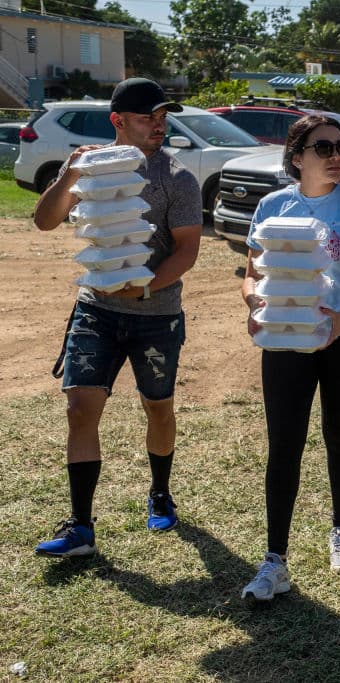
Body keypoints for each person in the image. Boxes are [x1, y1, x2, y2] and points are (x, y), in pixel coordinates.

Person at [32, 78, 202, 557]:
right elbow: (45, 221)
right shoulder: (91, 170)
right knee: (80, 408)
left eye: (163, 117)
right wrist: (69, 173)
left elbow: (187, 250)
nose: (159, 126)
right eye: (149, 117)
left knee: (158, 408)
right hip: (96, 310)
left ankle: (160, 492)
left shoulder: (177, 177)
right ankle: (81, 526)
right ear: (118, 120)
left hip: (157, 316)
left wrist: (146, 284)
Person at [239, 115, 340, 605]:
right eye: (323, 147)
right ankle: (274, 561)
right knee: (284, 444)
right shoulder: (271, 206)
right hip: (287, 340)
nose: (335, 155)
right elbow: (250, 275)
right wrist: (255, 305)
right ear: (296, 158)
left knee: (339, 433)